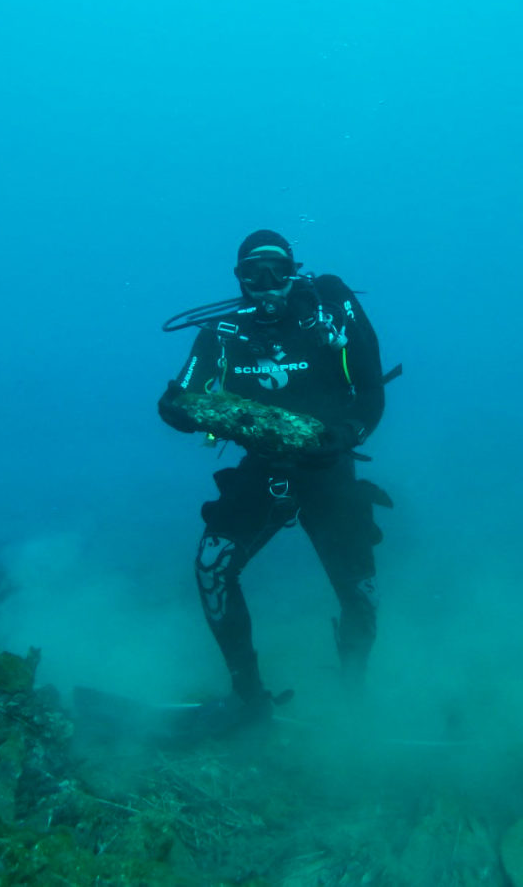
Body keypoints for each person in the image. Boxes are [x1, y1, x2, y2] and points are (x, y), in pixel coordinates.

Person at [158, 229, 392, 736]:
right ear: (238, 278)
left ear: (293, 273)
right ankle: (248, 698)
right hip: (263, 470)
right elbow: (190, 393)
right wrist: (177, 410)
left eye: (277, 273)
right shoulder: (221, 332)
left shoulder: (328, 317)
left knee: (362, 593)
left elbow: (370, 391)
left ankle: (355, 690)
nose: (266, 286)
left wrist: (346, 432)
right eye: (252, 275)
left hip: (328, 470)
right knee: (212, 569)